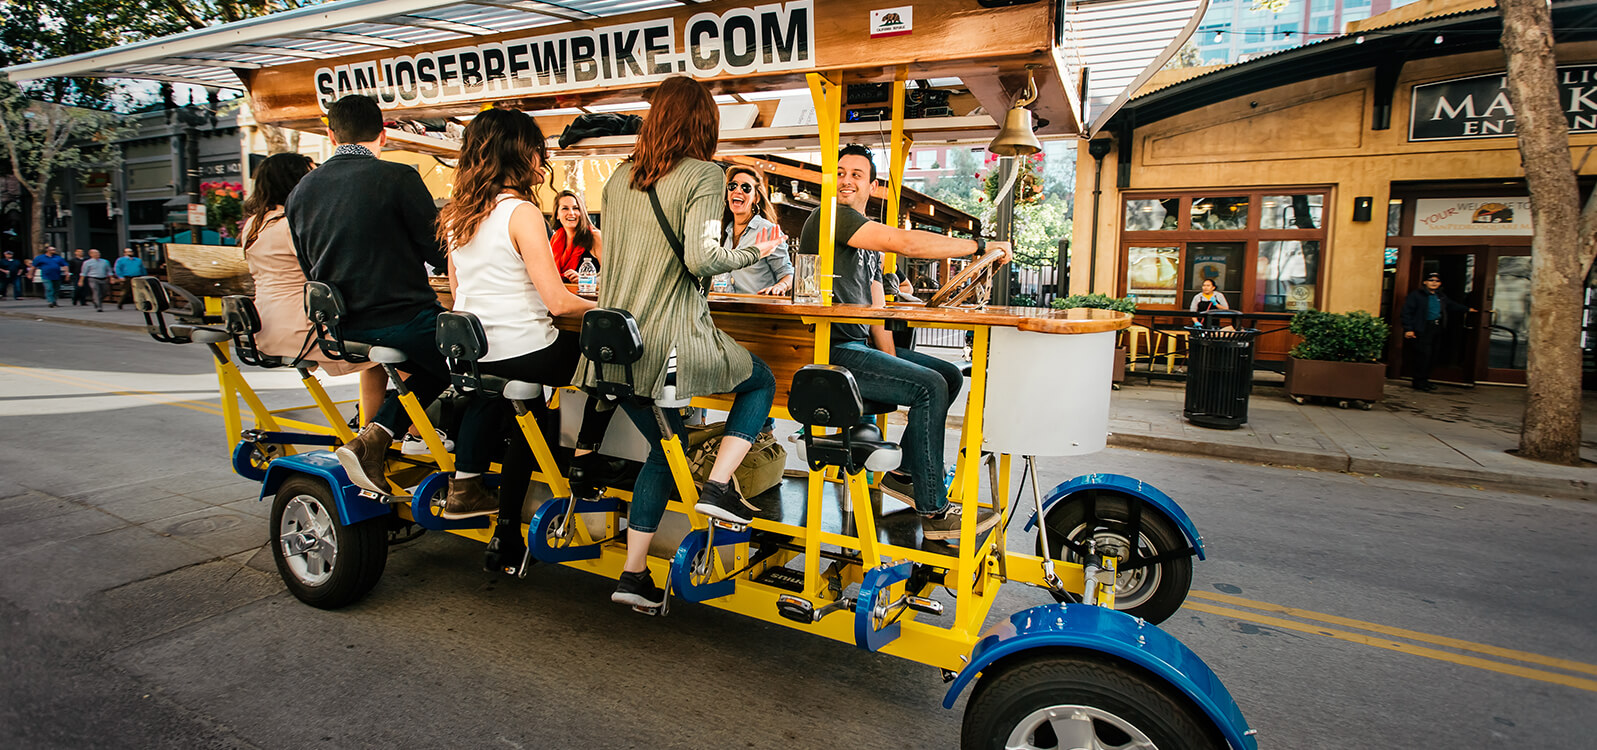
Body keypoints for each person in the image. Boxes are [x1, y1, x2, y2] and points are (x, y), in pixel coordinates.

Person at [574, 77, 783, 609]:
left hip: (615, 342)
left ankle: (633, 576)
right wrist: (755, 250)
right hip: (670, 340)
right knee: (760, 380)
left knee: (666, 452)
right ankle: (718, 486)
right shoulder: (705, 174)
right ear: (704, 124)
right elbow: (702, 259)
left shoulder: (620, 177)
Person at [798, 143, 1012, 542]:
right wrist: (979, 247)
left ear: (872, 185)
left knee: (945, 375)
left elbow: (878, 314)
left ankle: (905, 474)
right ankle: (934, 511)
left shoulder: (865, 241)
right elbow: (907, 243)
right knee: (928, 386)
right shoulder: (830, 217)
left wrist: (898, 368)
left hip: (857, 347)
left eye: (855, 175)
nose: (845, 180)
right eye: (840, 173)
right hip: (831, 350)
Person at [438, 108, 620, 571]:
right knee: (616, 357)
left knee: (529, 418)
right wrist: (610, 309)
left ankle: (505, 534)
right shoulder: (521, 212)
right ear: (520, 153)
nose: (543, 159)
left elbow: (459, 296)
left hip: (481, 356)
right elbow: (558, 303)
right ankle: (588, 460)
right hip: (528, 351)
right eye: (537, 149)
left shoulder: (458, 215)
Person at [288, 94, 452, 494]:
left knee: (438, 360)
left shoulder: (300, 192)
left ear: (331, 135)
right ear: (383, 134)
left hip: (342, 327)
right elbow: (439, 251)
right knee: (466, 358)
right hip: (401, 320)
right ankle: (384, 441)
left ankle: (374, 438)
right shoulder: (398, 177)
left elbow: (309, 267)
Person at [241, 153, 389, 431]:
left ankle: (371, 428)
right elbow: (331, 272)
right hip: (303, 327)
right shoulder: (292, 224)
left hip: (265, 326)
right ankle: (383, 432)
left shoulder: (254, 225)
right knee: (392, 353)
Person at [722, 165, 793, 295]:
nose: (738, 190)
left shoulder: (768, 230)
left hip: (757, 310)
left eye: (746, 187)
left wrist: (780, 286)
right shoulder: (722, 231)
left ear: (756, 198)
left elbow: (788, 274)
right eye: (733, 186)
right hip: (724, 309)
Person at [1399, 271, 1470, 392]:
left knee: (1433, 355)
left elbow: (1451, 305)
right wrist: (1408, 329)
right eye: (1431, 280)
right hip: (1422, 328)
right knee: (1423, 355)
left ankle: (1425, 380)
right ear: (1425, 282)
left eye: (1437, 281)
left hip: (1436, 328)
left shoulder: (1440, 296)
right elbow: (1406, 312)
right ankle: (1418, 381)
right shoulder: (1416, 295)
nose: (1434, 283)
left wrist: (1468, 309)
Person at [549, 189, 603, 282]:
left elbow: (611, 275)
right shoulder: (554, 239)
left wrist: (584, 280)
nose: (571, 213)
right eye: (565, 208)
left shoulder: (595, 236)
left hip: (588, 296)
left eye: (576, 208)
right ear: (557, 215)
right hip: (561, 295)